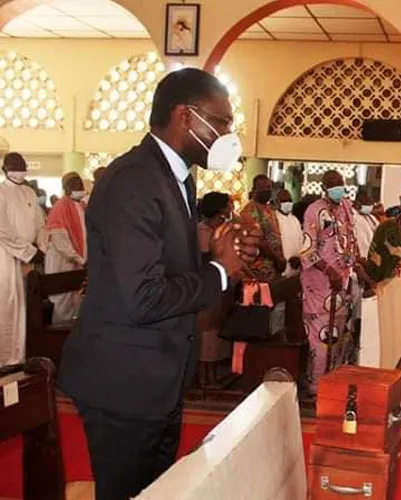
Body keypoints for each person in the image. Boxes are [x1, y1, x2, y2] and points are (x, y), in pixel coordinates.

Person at [58, 68, 259, 500]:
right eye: (221, 122)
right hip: (125, 382)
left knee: (155, 492)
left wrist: (216, 249)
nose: (228, 132)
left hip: (156, 378)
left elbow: (164, 263)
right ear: (186, 117)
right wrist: (220, 271)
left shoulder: (174, 177)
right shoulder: (135, 180)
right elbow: (144, 297)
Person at [300, 170, 357, 400]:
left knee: (338, 335)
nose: (338, 188)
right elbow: (307, 250)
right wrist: (329, 270)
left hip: (341, 283)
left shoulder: (345, 208)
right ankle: (316, 385)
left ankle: (332, 380)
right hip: (319, 284)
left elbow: (349, 241)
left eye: (340, 184)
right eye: (333, 185)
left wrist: (355, 265)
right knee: (319, 336)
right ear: (324, 187)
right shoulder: (314, 211)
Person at [0, 152, 45, 366]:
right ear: (5, 169)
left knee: (24, 309)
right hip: (6, 257)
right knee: (7, 308)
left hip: (28, 257)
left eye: (22, 165)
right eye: (14, 166)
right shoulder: (0, 192)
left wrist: (40, 248)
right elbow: (3, 230)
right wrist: (27, 251)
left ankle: (20, 358)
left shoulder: (29, 193)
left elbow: (40, 224)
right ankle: (4, 360)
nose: (19, 169)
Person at [196, 191, 233, 387]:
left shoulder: (224, 229)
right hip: (206, 285)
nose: (231, 209)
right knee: (205, 332)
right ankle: (203, 378)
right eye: (228, 205)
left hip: (222, 286)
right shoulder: (201, 231)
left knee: (215, 332)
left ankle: (212, 374)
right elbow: (206, 259)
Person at [44, 172, 87, 323]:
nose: (79, 188)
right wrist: (79, 259)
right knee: (61, 301)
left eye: (80, 185)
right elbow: (60, 241)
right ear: (66, 188)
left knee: (74, 302)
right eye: (74, 185)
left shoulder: (82, 206)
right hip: (62, 262)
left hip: (77, 262)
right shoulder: (60, 207)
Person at [239, 175, 285, 281]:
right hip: (258, 269)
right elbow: (259, 242)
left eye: (269, 187)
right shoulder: (248, 212)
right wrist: (277, 259)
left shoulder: (269, 209)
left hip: (274, 268)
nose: (268, 191)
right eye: (264, 188)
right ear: (255, 190)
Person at [365, 209, 401, 283]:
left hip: (381, 266)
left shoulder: (398, 228)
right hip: (377, 267)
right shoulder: (391, 227)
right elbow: (392, 252)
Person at [275, 189, 303, 277]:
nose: (287, 203)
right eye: (284, 201)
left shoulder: (295, 220)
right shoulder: (274, 219)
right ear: (277, 202)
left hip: (297, 267)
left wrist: (299, 258)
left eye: (289, 200)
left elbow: (301, 242)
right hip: (281, 268)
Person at [353, 190, 379, 259]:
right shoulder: (354, 218)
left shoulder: (371, 217)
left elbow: (379, 230)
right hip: (364, 257)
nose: (370, 206)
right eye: (367, 203)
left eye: (371, 204)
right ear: (357, 204)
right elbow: (363, 245)